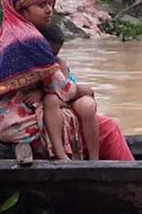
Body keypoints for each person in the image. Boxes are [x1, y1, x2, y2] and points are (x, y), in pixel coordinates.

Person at [0, 0, 134, 164]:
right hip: (20, 123)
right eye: (41, 5)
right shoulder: (30, 40)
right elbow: (65, 90)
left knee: (75, 109)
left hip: (1, 120)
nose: (49, 10)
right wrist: (88, 91)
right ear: (23, 10)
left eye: (49, 4)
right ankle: (127, 175)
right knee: (108, 128)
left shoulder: (7, 34)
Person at [37, 23, 100, 161]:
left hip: (68, 94)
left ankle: (95, 159)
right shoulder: (34, 65)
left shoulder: (59, 62)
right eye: (50, 53)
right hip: (59, 97)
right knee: (50, 99)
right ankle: (61, 154)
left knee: (88, 105)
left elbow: (65, 91)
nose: (53, 56)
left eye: (56, 53)